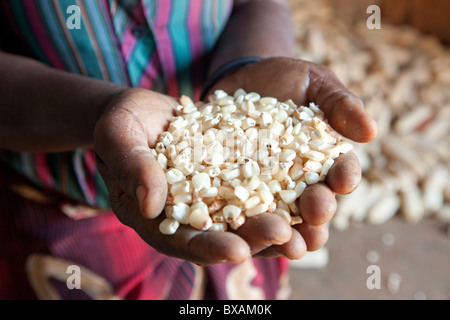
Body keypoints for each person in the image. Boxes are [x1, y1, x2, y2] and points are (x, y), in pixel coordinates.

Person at [0, 0, 377, 300]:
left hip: (231, 217)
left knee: (251, 245)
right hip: (57, 208)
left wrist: (247, 65)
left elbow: (258, 3)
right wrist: (100, 110)